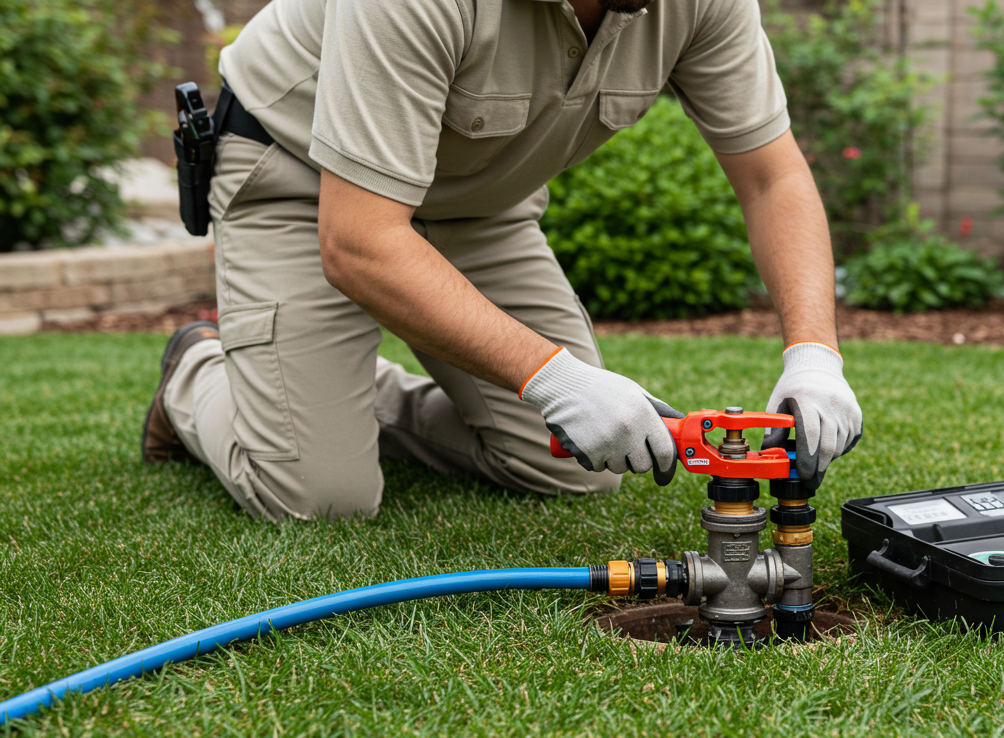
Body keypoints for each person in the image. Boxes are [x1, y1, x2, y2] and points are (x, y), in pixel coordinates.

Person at [141, 0, 863, 522]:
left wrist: (814, 355)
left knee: (572, 470)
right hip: (301, 180)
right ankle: (197, 369)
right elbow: (360, 243)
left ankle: (331, 400)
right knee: (318, 498)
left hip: (476, 204)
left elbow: (774, 178)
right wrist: (551, 376)